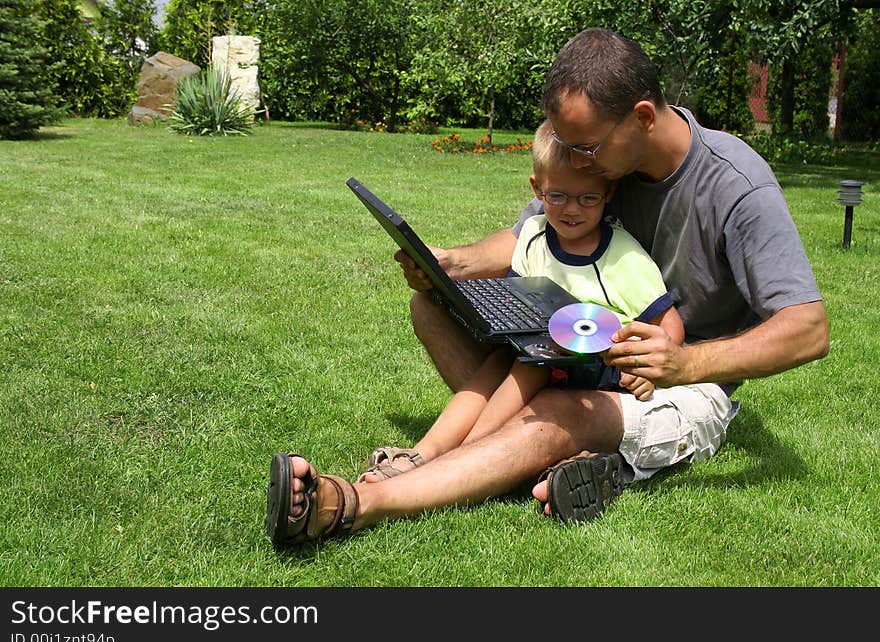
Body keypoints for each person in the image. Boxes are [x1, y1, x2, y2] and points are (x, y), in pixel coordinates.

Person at [265, 27, 828, 546]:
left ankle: (352, 503)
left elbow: (807, 330)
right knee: (431, 308)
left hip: (679, 386)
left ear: (640, 119)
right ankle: (555, 461)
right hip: (574, 350)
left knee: (558, 409)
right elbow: (525, 237)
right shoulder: (598, 169)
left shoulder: (736, 186)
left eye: (584, 147)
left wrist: (683, 364)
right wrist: (452, 265)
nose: (577, 164)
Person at [357, 119, 684, 484]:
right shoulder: (532, 234)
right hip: (538, 353)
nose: (571, 209)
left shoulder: (623, 256)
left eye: (587, 198)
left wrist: (644, 370)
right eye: (557, 196)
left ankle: (461, 458)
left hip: (598, 369)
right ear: (538, 189)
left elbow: (669, 324)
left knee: (534, 362)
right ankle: (425, 451)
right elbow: (519, 293)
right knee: (503, 361)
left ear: (608, 193)